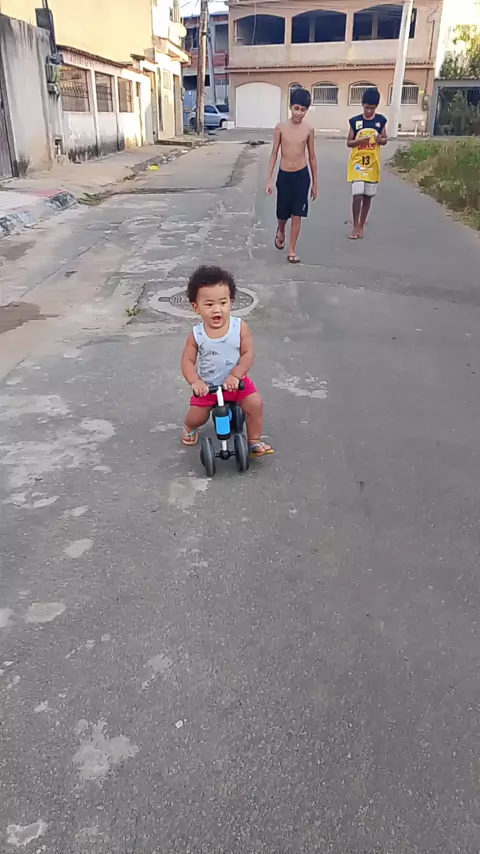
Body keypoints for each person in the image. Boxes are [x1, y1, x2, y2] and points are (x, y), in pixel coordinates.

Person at [181, 265, 274, 458]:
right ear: (196, 307)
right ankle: (189, 427)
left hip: (237, 383)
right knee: (197, 416)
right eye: (209, 305)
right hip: (209, 387)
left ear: (231, 302)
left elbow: (247, 353)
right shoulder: (197, 334)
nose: (217, 309)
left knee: (255, 404)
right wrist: (196, 382)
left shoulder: (239, 327)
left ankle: (254, 441)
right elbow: (187, 360)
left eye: (223, 303)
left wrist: (236, 375)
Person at [266, 87, 317, 265]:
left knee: (297, 214)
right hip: (285, 175)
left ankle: (292, 250)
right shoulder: (280, 128)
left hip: (302, 175)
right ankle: (281, 230)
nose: (299, 113)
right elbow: (274, 153)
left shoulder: (309, 130)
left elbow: (312, 157)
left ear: (307, 110)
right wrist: (269, 180)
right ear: (290, 107)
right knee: (282, 213)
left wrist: (315, 184)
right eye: (296, 108)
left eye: (303, 110)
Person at [347, 87, 388, 239]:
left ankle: (362, 225)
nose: (369, 111)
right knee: (357, 194)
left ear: (376, 107)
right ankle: (355, 225)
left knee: (367, 196)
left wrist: (380, 140)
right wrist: (359, 141)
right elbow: (349, 142)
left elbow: (385, 139)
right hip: (357, 163)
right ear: (362, 105)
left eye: (372, 108)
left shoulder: (380, 121)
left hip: (372, 163)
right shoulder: (355, 121)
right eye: (366, 108)